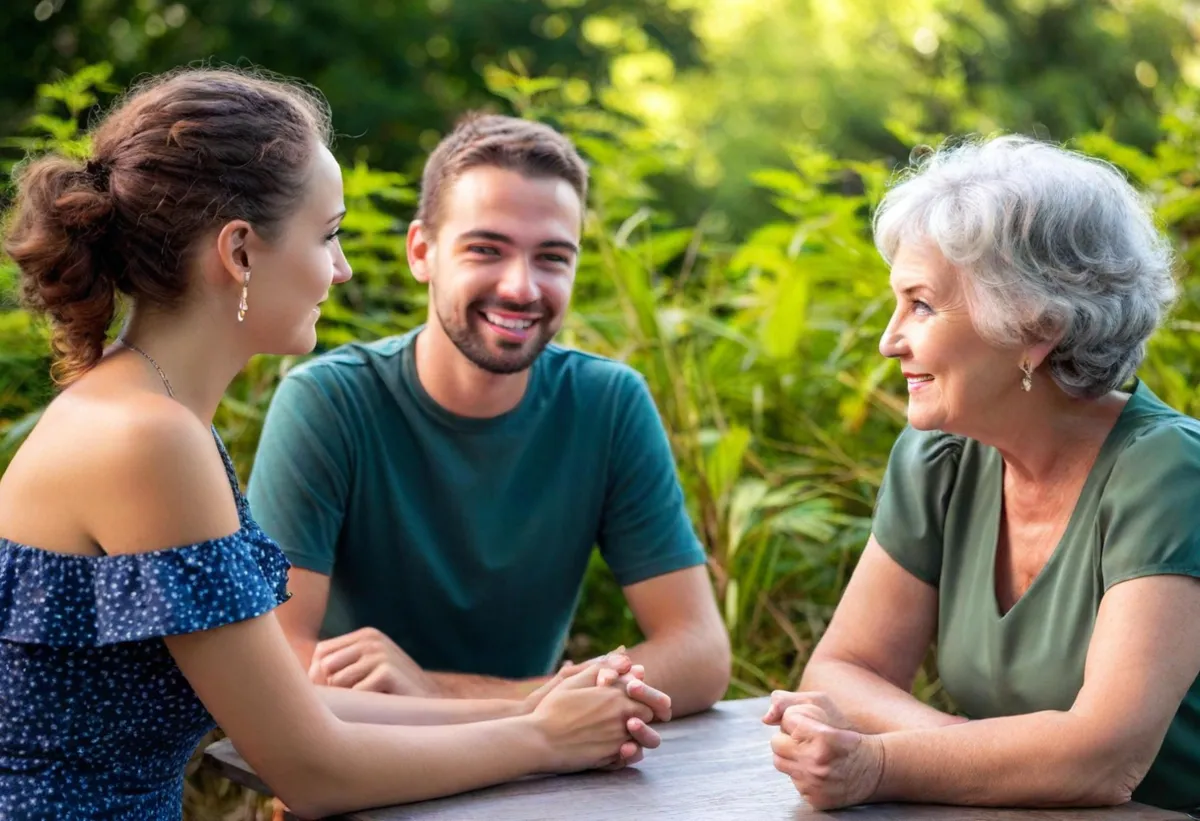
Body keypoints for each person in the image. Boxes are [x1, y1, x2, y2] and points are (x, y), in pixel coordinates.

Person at [0, 67, 667, 821]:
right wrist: (543, 739)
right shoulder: (146, 439)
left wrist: (542, 709)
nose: (342, 269)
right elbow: (314, 767)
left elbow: (296, 709)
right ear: (240, 253)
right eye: (328, 235)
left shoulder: (155, 413)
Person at [764, 135, 1200, 813]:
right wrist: (966, 748)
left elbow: (1104, 758)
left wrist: (878, 762)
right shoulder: (941, 456)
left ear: (1036, 325)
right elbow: (842, 670)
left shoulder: (1169, 471)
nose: (889, 339)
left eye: (921, 304)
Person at [246, 112, 731, 718]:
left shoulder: (608, 403)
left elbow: (699, 653)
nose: (522, 287)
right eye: (486, 249)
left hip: (538, 774)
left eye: (553, 257)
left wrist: (448, 693)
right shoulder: (330, 401)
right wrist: (550, 711)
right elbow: (277, 663)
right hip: (367, 771)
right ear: (422, 252)